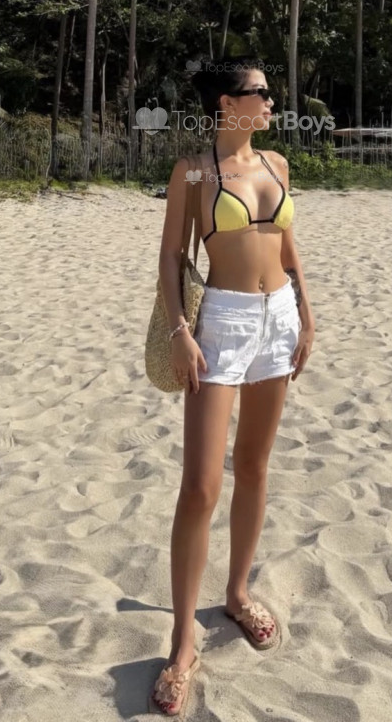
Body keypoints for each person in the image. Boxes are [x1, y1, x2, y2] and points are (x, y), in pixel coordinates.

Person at [148, 57, 316, 716]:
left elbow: (288, 248)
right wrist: (178, 331)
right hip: (220, 323)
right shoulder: (193, 172)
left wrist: (307, 315)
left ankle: (238, 594)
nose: (271, 101)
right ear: (226, 102)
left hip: (278, 320)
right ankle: (182, 643)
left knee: (253, 465)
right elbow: (171, 255)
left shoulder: (277, 164)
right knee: (200, 486)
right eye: (260, 92)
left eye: (270, 93)